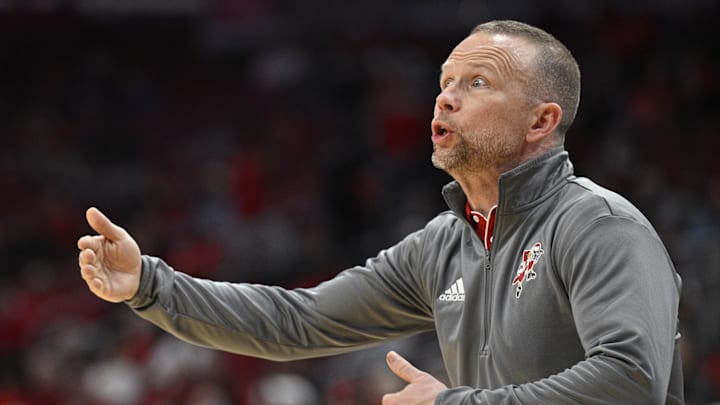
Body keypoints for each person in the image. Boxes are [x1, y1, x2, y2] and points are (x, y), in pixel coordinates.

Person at [77, 20, 683, 404]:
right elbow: (299, 321)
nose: (445, 95)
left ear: (541, 121)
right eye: (445, 80)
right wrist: (150, 285)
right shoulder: (442, 245)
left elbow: (629, 381)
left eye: (478, 84)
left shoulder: (599, 226)